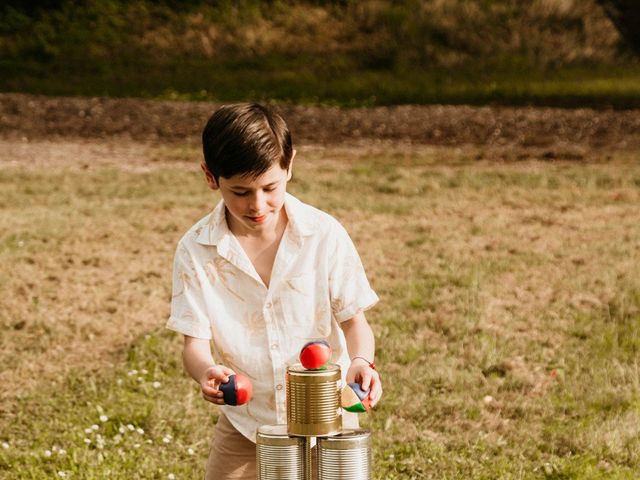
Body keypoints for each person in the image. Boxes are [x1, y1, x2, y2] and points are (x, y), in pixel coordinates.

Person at [166, 103, 382, 480]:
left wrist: (363, 362)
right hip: (248, 425)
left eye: (270, 188)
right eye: (240, 191)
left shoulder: (323, 234)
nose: (257, 204)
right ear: (210, 176)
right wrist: (206, 371)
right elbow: (194, 345)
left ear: (290, 165)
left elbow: (355, 323)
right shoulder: (196, 249)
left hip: (330, 419)